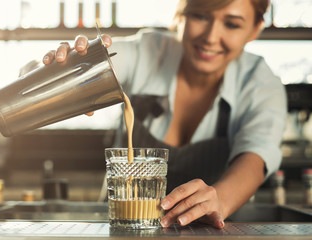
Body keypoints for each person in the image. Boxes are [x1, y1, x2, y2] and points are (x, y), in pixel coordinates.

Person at [42, 0, 287, 229]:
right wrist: (65, 66)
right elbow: (99, 65)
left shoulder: (260, 83)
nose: (211, 37)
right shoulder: (148, 50)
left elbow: (256, 155)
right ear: (181, 16)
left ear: (255, 30)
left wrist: (220, 199)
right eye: (200, 16)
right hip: (121, 229)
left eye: (232, 24)